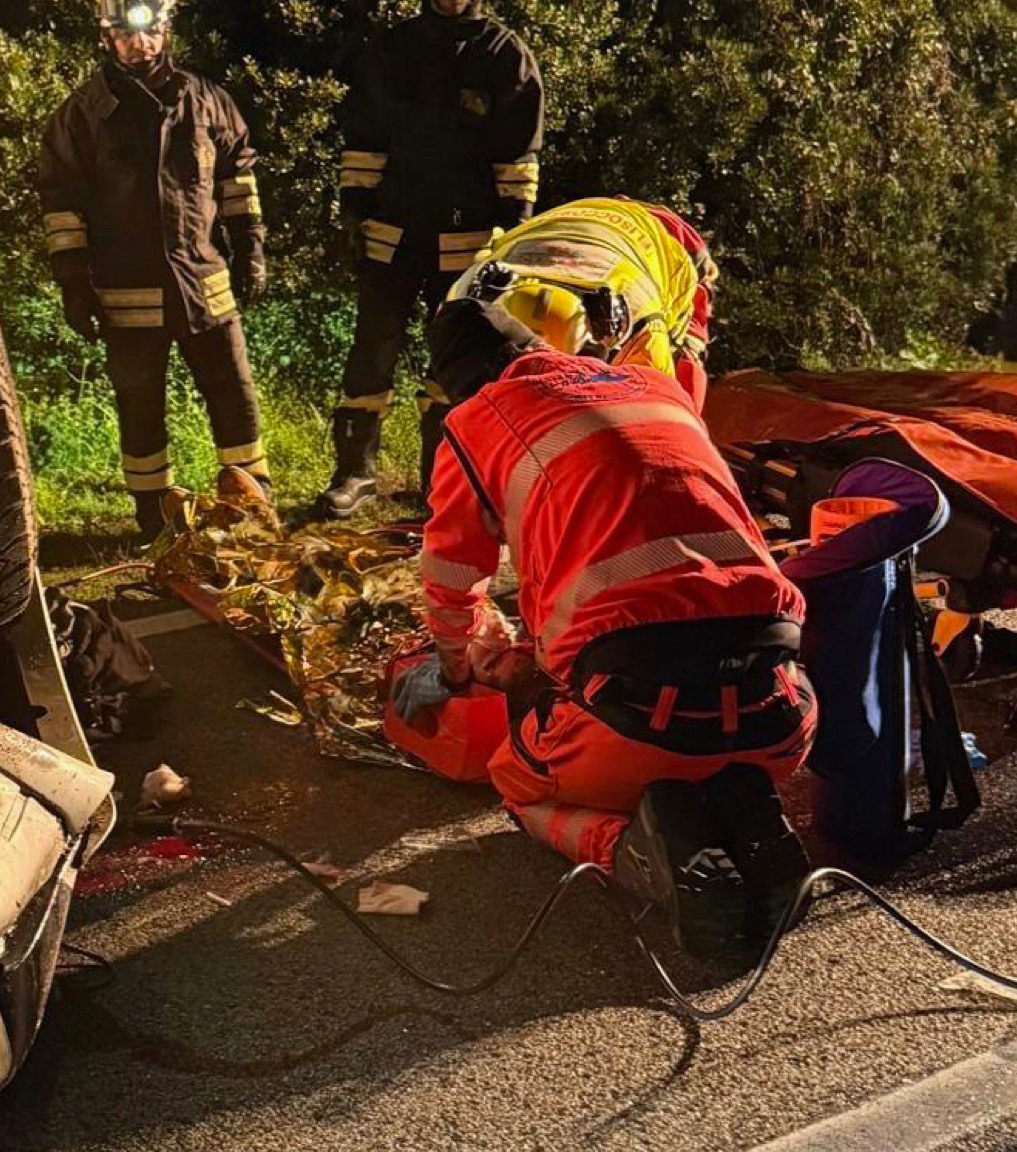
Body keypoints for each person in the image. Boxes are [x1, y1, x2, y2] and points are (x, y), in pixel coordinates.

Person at [393, 300, 817, 959]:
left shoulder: (478, 420)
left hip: (636, 726)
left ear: (460, 383)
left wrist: (454, 665)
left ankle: (635, 850)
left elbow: (451, 574)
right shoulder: (654, 386)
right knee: (728, 707)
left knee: (514, 782)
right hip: (778, 719)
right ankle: (743, 804)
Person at [40, 0, 270, 538]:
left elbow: (238, 180)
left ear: (166, 32)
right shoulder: (81, 115)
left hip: (205, 286)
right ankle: (154, 517)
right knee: (140, 408)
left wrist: (251, 248)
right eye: (125, 36)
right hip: (128, 295)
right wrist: (74, 283)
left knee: (234, 394)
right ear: (107, 39)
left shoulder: (208, 101)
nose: (139, 45)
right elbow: (62, 207)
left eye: (149, 34)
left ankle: (253, 506)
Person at [315, 0, 543, 521]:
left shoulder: (505, 54)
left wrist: (513, 229)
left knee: (456, 361)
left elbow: (519, 153)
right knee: (370, 353)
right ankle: (355, 475)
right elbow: (365, 136)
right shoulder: (394, 47)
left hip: (467, 239)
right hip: (391, 231)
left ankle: (441, 481)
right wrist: (354, 209)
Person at [445, 196, 720, 406]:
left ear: (598, 340)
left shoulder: (644, 337)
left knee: (680, 390)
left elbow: (660, 425)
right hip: (582, 224)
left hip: (671, 243)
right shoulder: (465, 304)